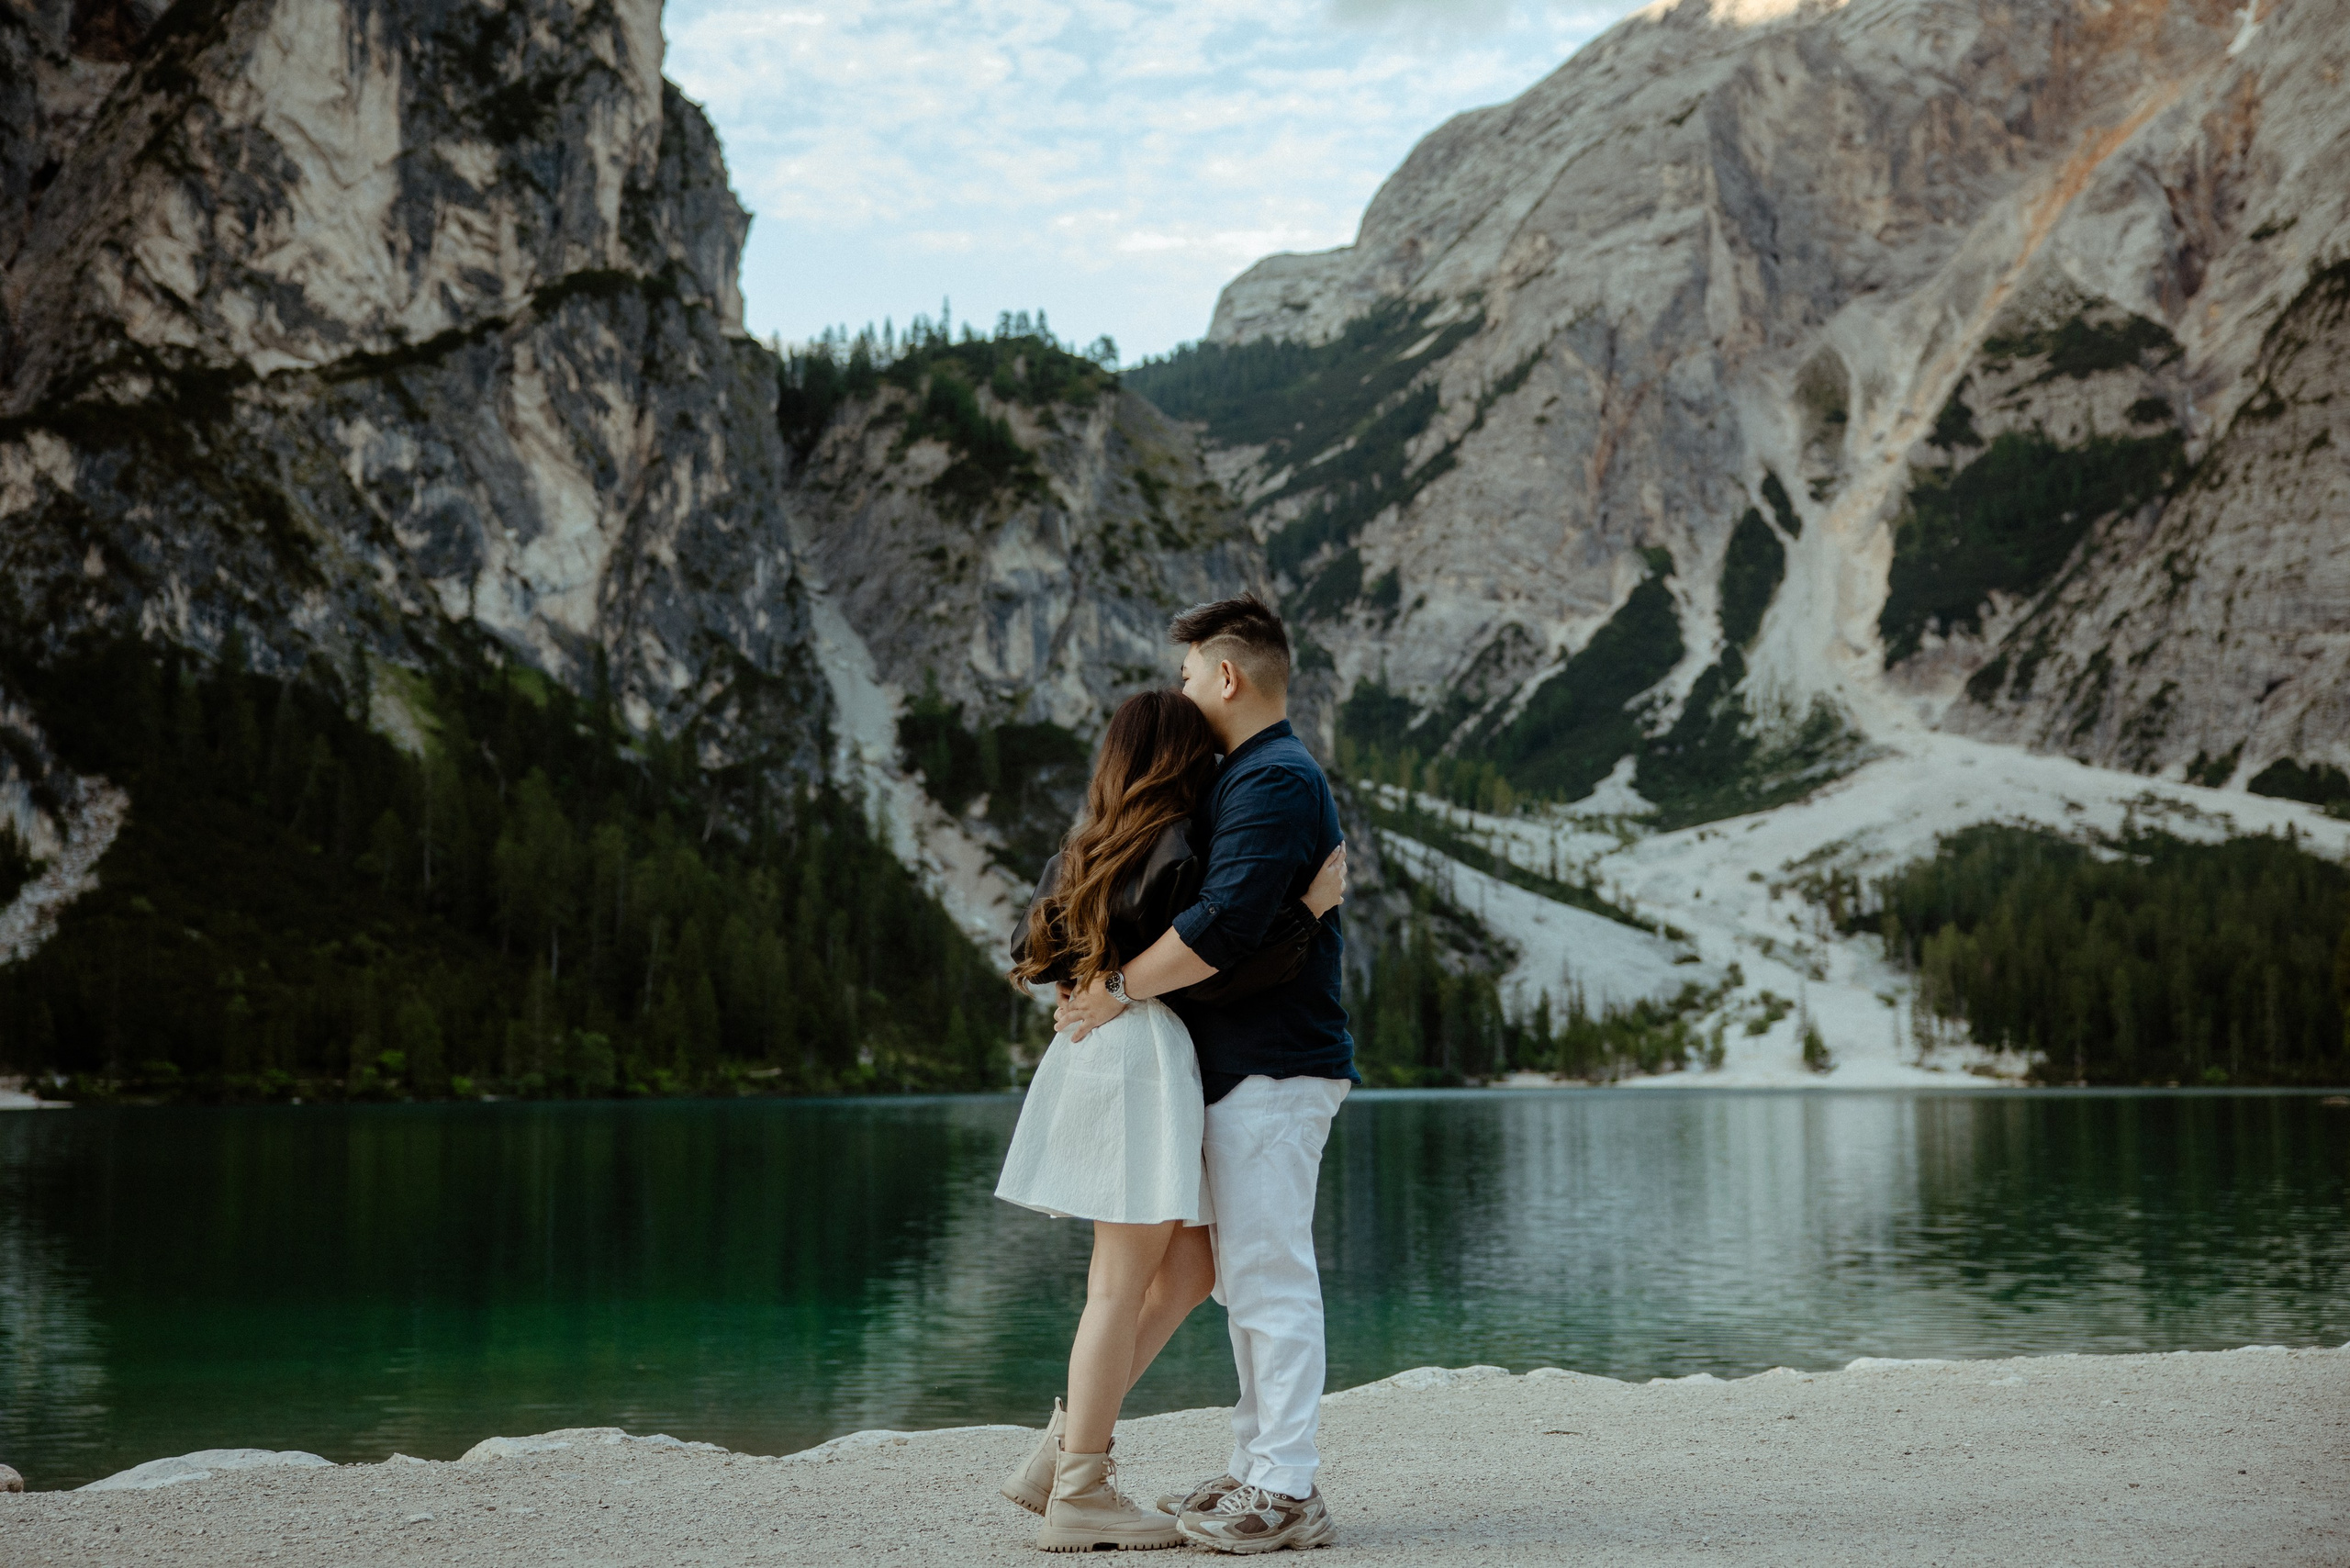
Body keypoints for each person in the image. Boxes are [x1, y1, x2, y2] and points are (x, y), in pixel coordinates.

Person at [995, 686, 1348, 1553]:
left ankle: (1060, 1454)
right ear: (1178, 759)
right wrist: (1305, 911)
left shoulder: (1082, 849)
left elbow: (1026, 948)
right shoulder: (1179, 845)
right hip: (1143, 1060)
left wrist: (1082, 982)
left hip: (1097, 1060)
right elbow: (1213, 958)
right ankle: (1081, 1484)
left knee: (1187, 1265)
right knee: (1120, 1283)